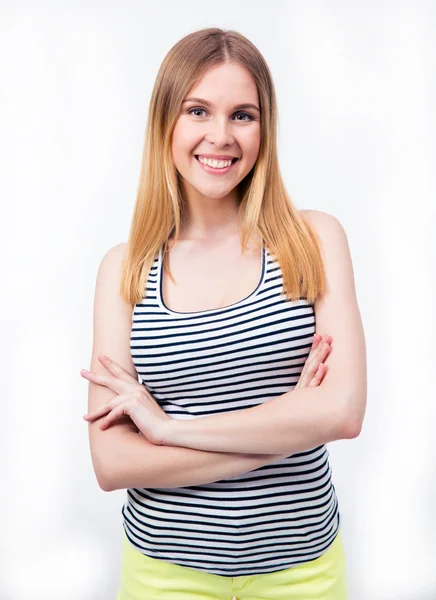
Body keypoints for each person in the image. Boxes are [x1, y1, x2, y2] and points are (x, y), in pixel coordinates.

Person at [81, 27, 366, 600]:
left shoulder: (313, 239)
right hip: (164, 574)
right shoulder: (125, 271)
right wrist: (288, 430)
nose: (220, 135)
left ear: (266, 128)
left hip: (302, 571)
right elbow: (113, 463)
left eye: (243, 115)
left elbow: (342, 412)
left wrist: (166, 431)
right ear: (167, 122)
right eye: (198, 110)